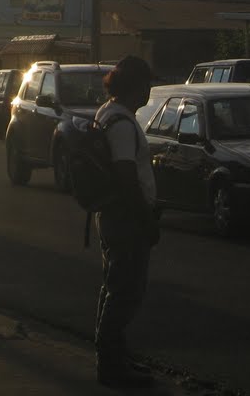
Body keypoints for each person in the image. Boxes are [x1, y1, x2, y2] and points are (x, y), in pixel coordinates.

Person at [93, 55, 160, 388]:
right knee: (126, 291)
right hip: (126, 218)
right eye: (147, 84)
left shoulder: (108, 112)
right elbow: (125, 175)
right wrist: (145, 219)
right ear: (137, 86)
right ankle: (111, 364)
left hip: (115, 216)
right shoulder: (120, 123)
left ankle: (115, 357)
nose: (149, 90)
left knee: (115, 287)